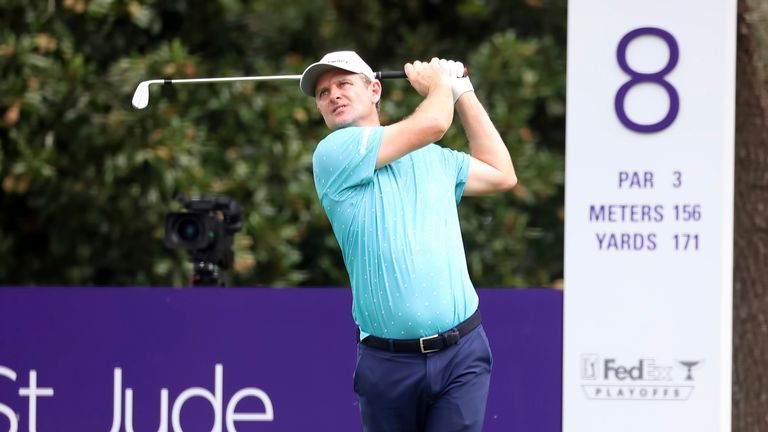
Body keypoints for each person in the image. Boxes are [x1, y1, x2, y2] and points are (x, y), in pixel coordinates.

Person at [300, 51, 517, 432]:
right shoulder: (333, 154)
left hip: (462, 351)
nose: (333, 95)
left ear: (375, 90)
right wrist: (439, 85)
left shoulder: (435, 159)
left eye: (343, 84)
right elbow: (433, 122)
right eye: (323, 93)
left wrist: (463, 91)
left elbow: (502, 174)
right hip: (388, 363)